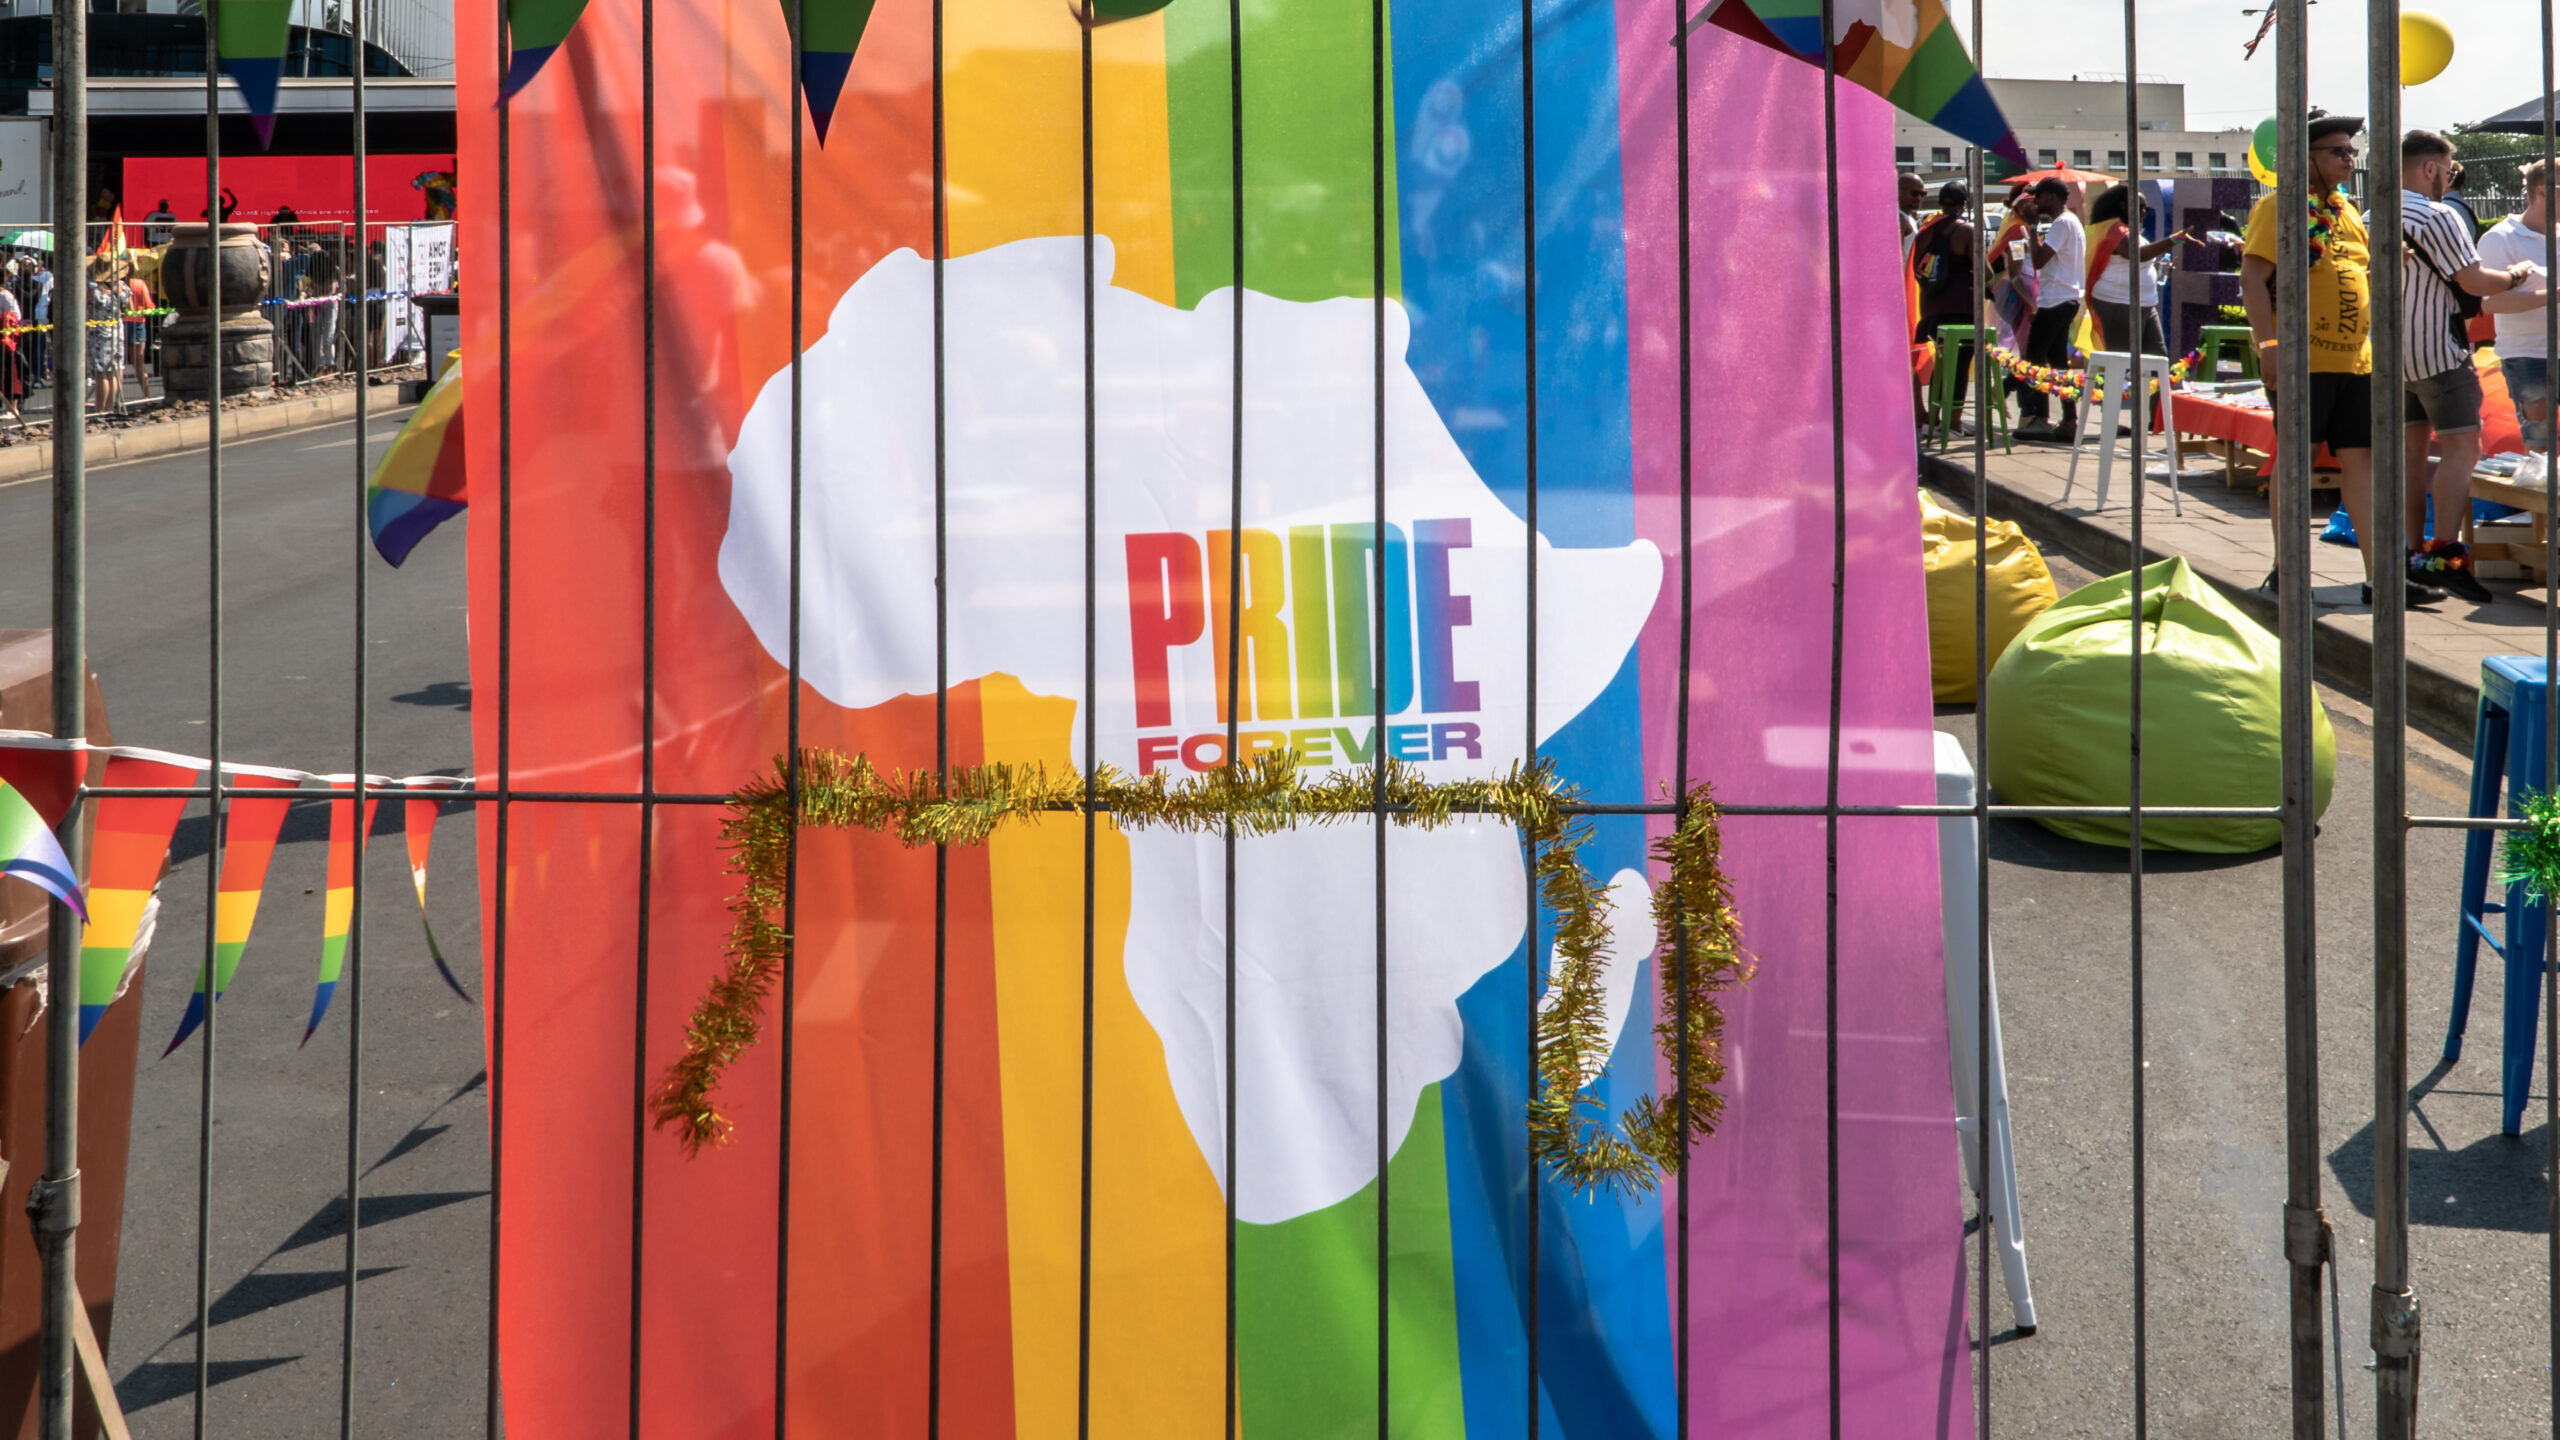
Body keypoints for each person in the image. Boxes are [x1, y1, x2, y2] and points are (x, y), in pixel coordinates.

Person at [2242, 110, 2399, 606]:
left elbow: (2362, 271)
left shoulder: (2347, 209)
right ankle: (2288, 572)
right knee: (2298, 463)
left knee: (2362, 462)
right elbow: (2251, 277)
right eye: (2338, 151)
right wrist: (2269, 347)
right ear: (2304, 157)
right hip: (2300, 360)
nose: (2349, 159)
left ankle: (2380, 579)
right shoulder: (2279, 207)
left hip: (2356, 361)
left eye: (2352, 151)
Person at [2398, 128, 2533, 605]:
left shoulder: (2373, 211)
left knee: (2411, 456)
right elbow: (2474, 281)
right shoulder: (2437, 216)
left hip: (2392, 354)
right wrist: (2517, 274)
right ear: (2430, 168)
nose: (2448, 180)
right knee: (2461, 450)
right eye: (2449, 170)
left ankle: (2408, 555)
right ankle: (2445, 557)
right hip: (2438, 350)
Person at [2480, 157, 2558, 467]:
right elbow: (2489, 303)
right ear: (2542, 191)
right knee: (2539, 449)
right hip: (2529, 356)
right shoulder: (2500, 238)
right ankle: (2544, 514)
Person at [2084, 184, 2196, 356]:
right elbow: (2136, 255)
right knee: (2124, 360)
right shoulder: (2115, 229)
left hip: (2145, 303)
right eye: (2141, 208)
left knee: (2157, 356)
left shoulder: (2130, 231)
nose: (2144, 212)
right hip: (2118, 302)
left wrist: (2156, 268)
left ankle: (2150, 384)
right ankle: (2121, 384)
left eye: (2147, 208)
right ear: (2123, 205)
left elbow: (2138, 261)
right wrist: (2174, 239)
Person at [2011, 178, 2084, 442]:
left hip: (2055, 300)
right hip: (2065, 298)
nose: (2036, 203)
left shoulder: (2062, 223)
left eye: (2038, 198)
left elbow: (2039, 262)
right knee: (2057, 363)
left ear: (2052, 197)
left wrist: (2031, 226)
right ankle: (2069, 419)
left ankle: (2040, 419)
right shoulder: (2071, 222)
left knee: (2034, 360)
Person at [1909, 180, 1979, 427]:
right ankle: (1954, 422)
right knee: (1960, 365)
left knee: (1942, 363)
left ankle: (1936, 418)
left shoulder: (1926, 231)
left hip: (1933, 309)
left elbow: (1919, 271)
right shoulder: (1966, 230)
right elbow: (1985, 272)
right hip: (1961, 309)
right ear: (1963, 204)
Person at [84, 261, 120, 415]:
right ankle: (109, 407)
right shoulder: (115, 290)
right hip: (114, 333)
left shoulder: (94, 291)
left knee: (101, 374)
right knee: (111, 372)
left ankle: (100, 410)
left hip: (98, 335)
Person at [124, 268, 152, 400]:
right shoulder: (139, 284)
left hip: (120, 324)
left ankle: (117, 399)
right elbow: (149, 305)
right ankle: (146, 396)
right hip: (138, 322)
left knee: (118, 363)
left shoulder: (116, 284)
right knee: (139, 362)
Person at [1898, 171, 1925, 257]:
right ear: (1899, 192)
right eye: (1915, 193)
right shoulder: (1899, 219)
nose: (1919, 198)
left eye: (1922, 194)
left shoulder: (1909, 218)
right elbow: (1897, 256)